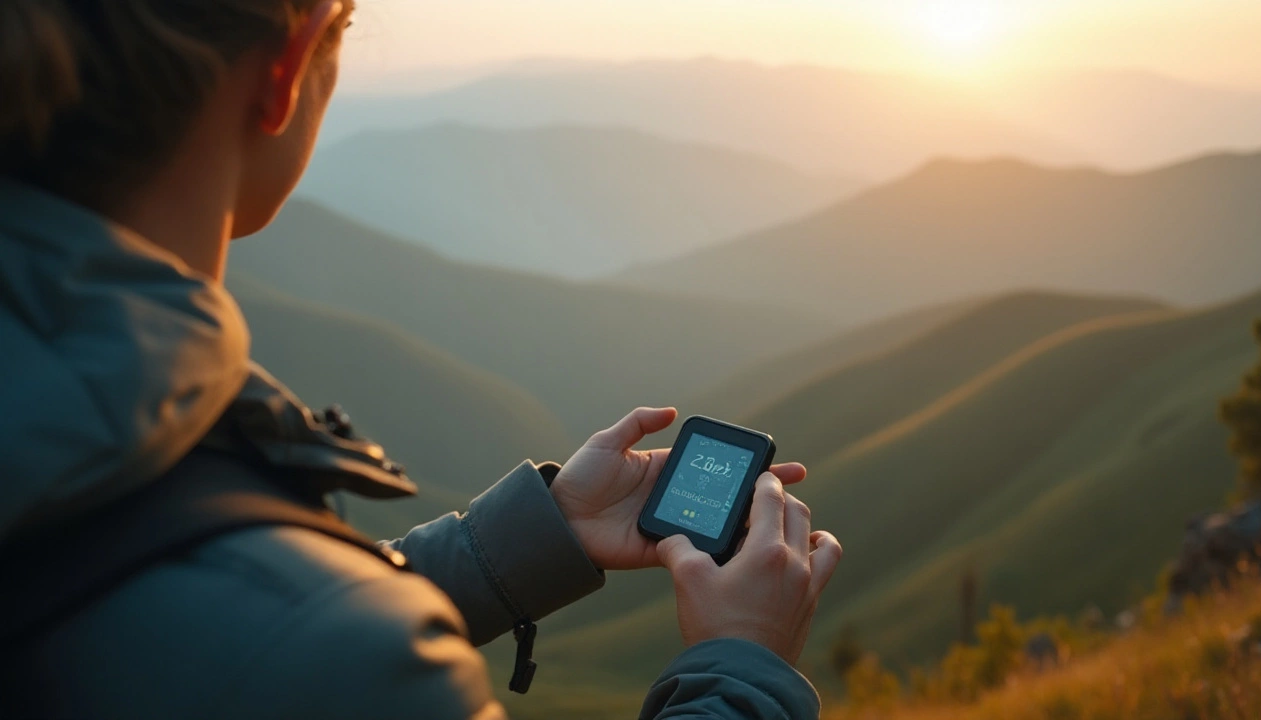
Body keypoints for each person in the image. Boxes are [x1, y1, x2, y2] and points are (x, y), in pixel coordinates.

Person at [0, 1, 843, 718]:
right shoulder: (350, 668)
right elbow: (268, 645)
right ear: (288, 65)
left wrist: (528, 540)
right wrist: (741, 667)